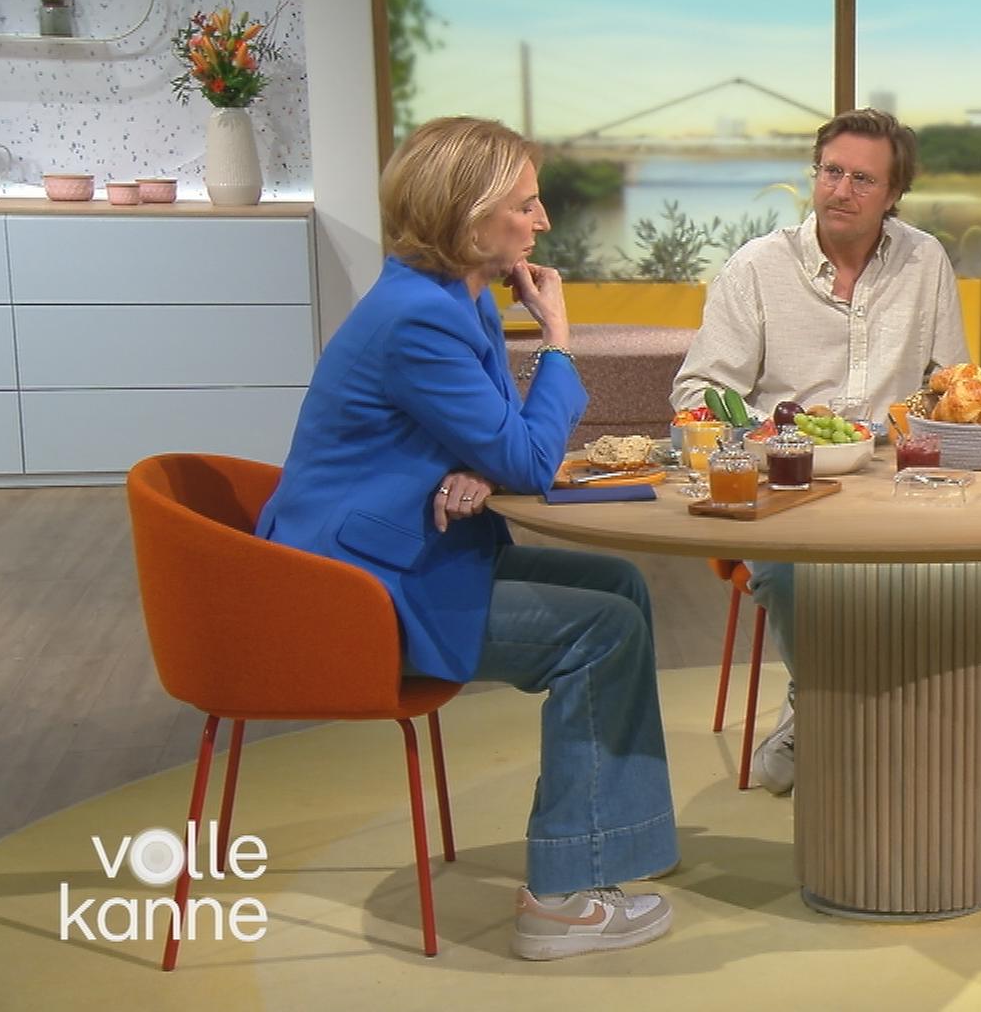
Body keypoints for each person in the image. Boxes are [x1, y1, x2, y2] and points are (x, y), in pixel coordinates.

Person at [257, 116, 678, 960]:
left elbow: (498, 445)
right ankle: (560, 901)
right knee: (605, 631)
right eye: (526, 204)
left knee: (620, 587)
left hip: (400, 549)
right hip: (355, 590)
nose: (543, 221)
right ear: (470, 213)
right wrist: (558, 341)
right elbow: (526, 452)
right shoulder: (421, 317)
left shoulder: (454, 298)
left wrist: (484, 464)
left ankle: (599, 855)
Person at [670, 107, 971, 796]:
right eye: (831, 172)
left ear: (893, 195)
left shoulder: (925, 261)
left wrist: (938, 417)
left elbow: (948, 384)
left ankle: (915, 718)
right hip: (784, 489)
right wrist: (783, 429)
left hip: (898, 483)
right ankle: (820, 703)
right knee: (799, 575)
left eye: (863, 179)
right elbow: (699, 390)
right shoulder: (755, 268)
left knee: (970, 568)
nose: (841, 190)